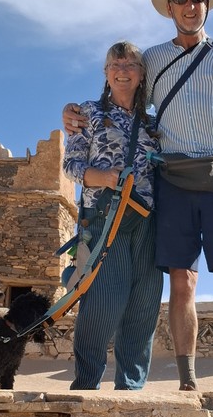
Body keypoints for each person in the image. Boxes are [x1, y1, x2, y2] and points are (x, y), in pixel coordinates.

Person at [64, 0, 213, 392]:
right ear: (170, 10)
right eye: (182, 0)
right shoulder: (151, 61)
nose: (191, 6)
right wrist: (72, 112)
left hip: (212, 181)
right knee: (166, 284)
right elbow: (109, 108)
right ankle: (173, 381)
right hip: (154, 191)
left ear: (206, 5)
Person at [63, 41, 163, 390]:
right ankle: (86, 383)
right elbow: (71, 165)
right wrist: (104, 178)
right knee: (104, 299)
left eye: (131, 64)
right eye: (115, 63)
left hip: (148, 220)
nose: (123, 69)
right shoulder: (86, 113)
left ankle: (131, 388)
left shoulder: (153, 123)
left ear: (141, 74)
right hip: (105, 214)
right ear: (106, 73)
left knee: (144, 303)